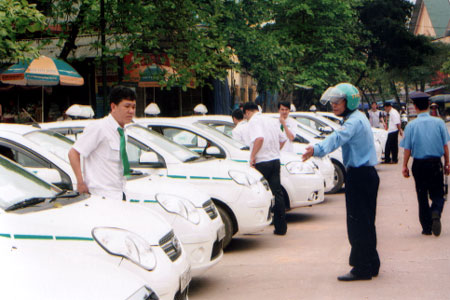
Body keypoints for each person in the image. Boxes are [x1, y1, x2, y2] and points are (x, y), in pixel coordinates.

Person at [302, 83, 380, 281]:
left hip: (360, 176)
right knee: (367, 222)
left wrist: (316, 149)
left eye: (338, 101)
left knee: (357, 224)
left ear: (350, 101)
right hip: (367, 175)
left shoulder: (353, 122)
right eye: (333, 101)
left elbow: (337, 138)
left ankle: (361, 268)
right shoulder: (357, 118)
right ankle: (371, 263)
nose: (333, 105)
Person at [68, 85, 137, 201]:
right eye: (127, 106)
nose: (131, 111)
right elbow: (73, 153)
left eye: (134, 107)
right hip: (100, 195)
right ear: (113, 107)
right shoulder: (99, 127)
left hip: (119, 193)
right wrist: (80, 182)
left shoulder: (122, 131)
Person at [400, 91, 450, 237]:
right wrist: (447, 162)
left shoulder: (411, 126)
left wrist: (404, 166)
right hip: (435, 163)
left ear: (415, 107)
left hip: (419, 165)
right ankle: (435, 211)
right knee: (438, 193)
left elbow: (407, 149)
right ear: (429, 105)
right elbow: (445, 146)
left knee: (421, 196)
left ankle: (427, 228)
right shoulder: (439, 123)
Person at [243, 102, 288, 235]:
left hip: (262, 162)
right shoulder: (271, 120)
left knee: (257, 192)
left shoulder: (253, 122)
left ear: (247, 112)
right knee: (277, 193)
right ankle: (281, 227)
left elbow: (259, 138)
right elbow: (283, 139)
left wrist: (252, 156)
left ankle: (255, 225)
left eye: (245, 115)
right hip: (274, 160)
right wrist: (274, 151)